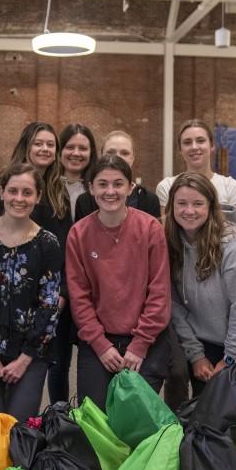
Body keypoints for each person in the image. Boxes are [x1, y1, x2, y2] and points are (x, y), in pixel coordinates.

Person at [66, 154, 171, 409]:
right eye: (102, 184)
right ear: (91, 188)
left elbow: (159, 292)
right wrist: (101, 345)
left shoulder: (150, 228)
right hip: (99, 341)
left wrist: (140, 344)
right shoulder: (78, 234)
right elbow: (79, 298)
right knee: (95, 423)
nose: (110, 191)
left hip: (146, 340)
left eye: (118, 184)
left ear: (130, 187)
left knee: (136, 423)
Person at [0, 163, 63, 420]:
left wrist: (25, 359)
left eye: (27, 192)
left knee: (20, 432)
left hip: (29, 355)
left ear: (38, 196)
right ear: (2, 191)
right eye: (13, 191)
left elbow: (49, 305)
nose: (19, 199)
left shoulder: (48, 243)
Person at [0, 122, 74, 403]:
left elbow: (66, 248)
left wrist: (60, 296)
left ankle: (54, 428)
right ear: (26, 145)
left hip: (49, 300)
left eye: (51, 144)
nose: (45, 149)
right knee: (6, 375)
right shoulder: (7, 183)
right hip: (9, 299)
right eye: (39, 143)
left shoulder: (59, 191)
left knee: (55, 367)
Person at [167, 173, 236, 395]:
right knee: (206, 412)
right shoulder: (168, 243)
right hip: (204, 341)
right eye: (182, 203)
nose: (189, 211)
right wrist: (196, 355)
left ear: (210, 206)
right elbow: (174, 305)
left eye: (198, 204)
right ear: (171, 206)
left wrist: (229, 360)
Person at [156, 119, 236, 230]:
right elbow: (167, 232)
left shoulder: (231, 186)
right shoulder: (167, 186)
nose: (194, 147)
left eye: (200, 140)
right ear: (180, 150)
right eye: (187, 142)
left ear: (212, 145)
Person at [75, 130, 161, 219]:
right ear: (101, 156)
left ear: (133, 158)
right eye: (110, 152)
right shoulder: (84, 201)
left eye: (125, 153)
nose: (117, 157)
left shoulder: (150, 200)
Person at [58, 123, 97, 220]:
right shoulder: (47, 187)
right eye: (70, 147)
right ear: (59, 150)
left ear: (91, 153)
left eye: (83, 148)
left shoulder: (98, 189)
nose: (76, 153)